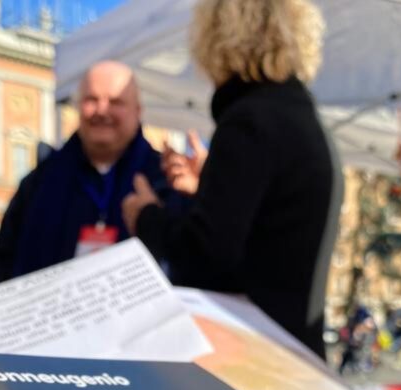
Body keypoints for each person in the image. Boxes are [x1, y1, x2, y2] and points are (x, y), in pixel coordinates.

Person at [121, 0, 342, 358]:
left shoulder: (250, 122)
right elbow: (266, 234)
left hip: (259, 356)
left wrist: (145, 215)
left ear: (217, 36)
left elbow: (204, 257)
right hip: (295, 350)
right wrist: (210, 186)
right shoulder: (298, 116)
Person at [0, 61, 180, 282]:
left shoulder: (166, 180)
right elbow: (5, 258)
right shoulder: (40, 181)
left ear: (137, 111)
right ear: (78, 106)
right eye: (92, 99)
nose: (102, 110)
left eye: (115, 102)